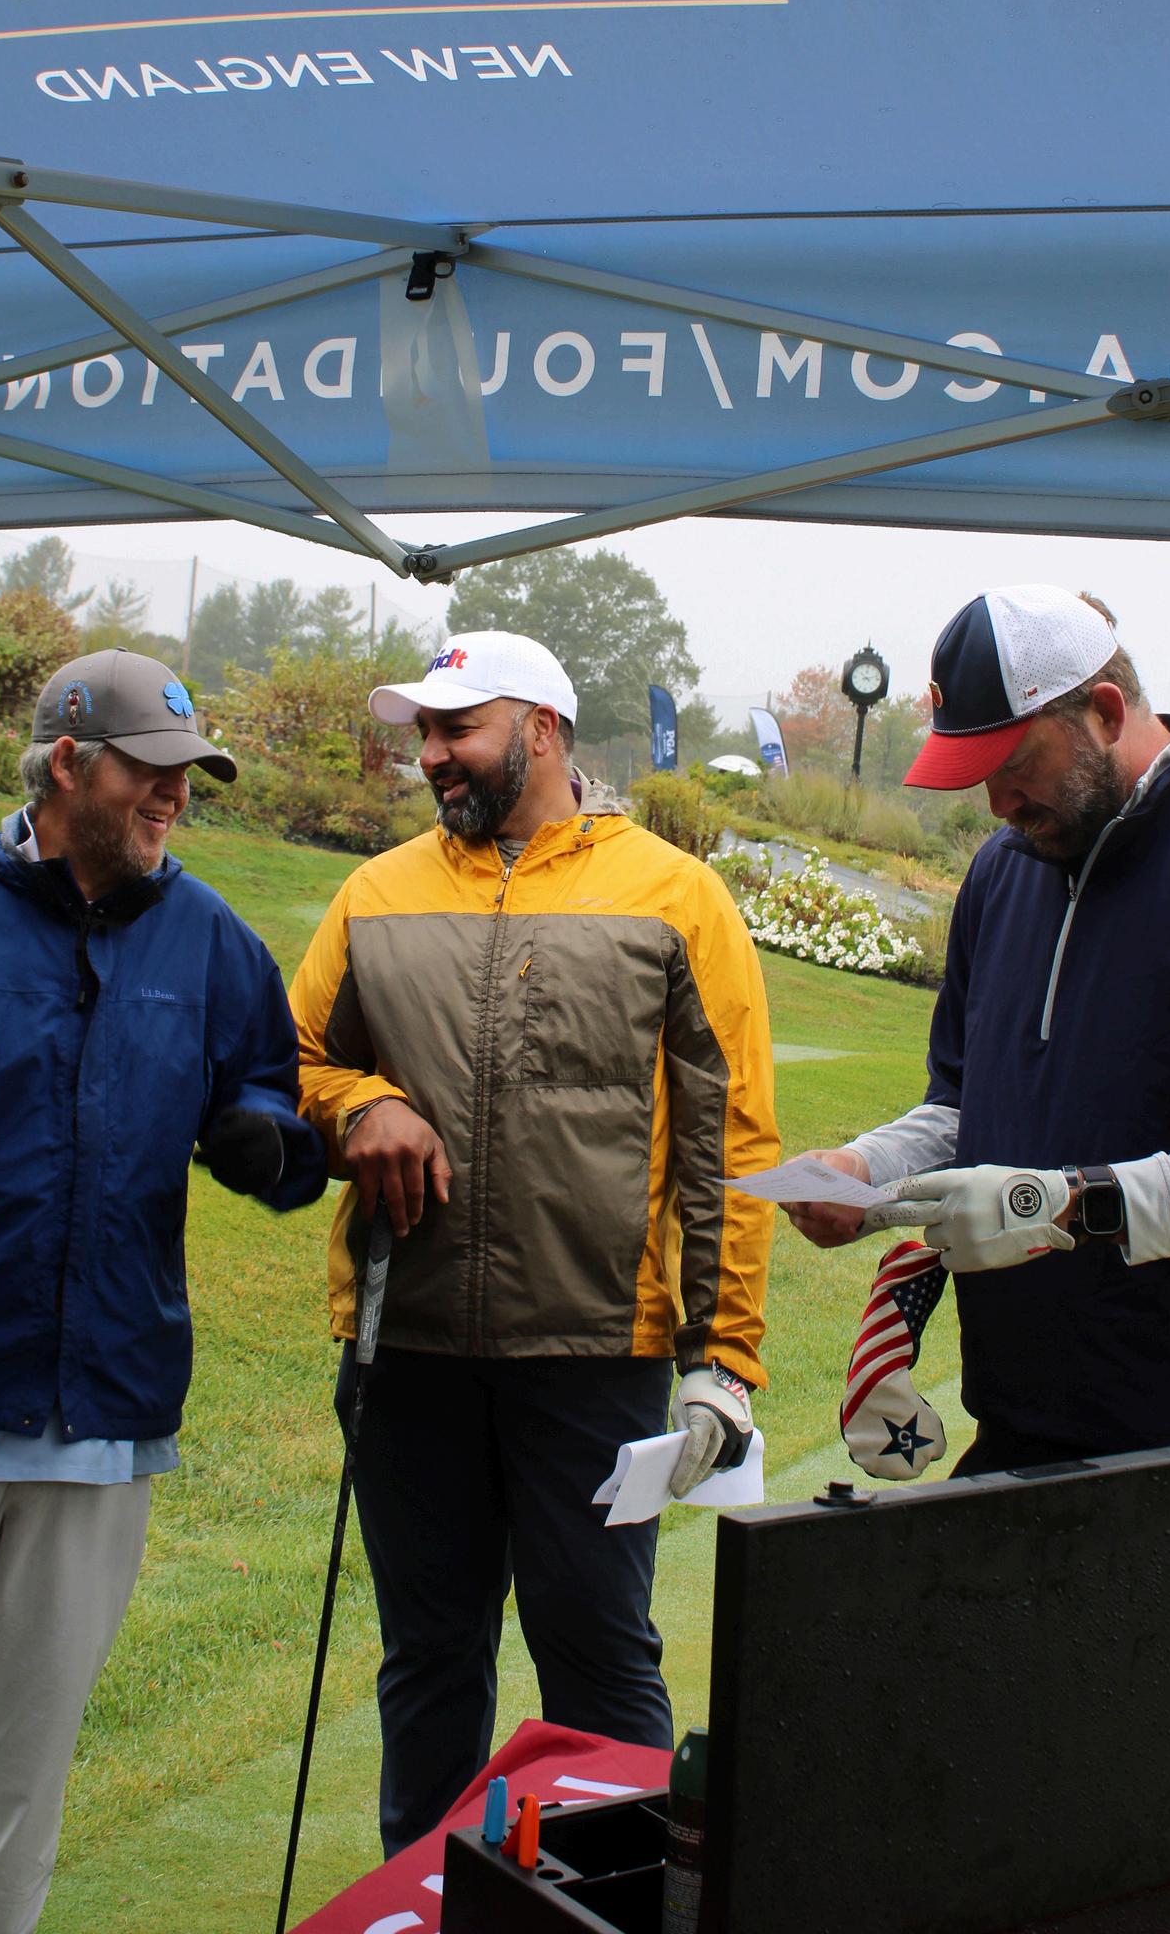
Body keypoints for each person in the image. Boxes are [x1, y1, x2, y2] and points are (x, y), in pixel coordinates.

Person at [0, 648, 326, 1933]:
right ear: (67, 763)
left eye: (189, 775)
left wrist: (270, 1141)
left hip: (105, 1416)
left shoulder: (211, 939)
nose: (175, 797)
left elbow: (271, 1105)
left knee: (32, 1758)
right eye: (150, 772)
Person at [291, 629, 777, 1852]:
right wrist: (363, 1105)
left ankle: (614, 1902)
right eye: (423, 732)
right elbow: (288, 1063)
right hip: (408, 1349)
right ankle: (424, 1907)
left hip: (594, 1354)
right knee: (428, 1661)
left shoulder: (674, 894)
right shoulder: (375, 893)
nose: (430, 754)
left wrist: (723, 1358)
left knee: (598, 1660)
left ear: (542, 731)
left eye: (457, 728)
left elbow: (730, 1141)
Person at [786, 585, 1170, 1472]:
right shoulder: (1003, 871)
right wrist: (870, 1168)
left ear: (1106, 712)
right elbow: (969, 1106)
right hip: (1021, 1407)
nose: (997, 802)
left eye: (1014, 762)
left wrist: (1060, 1204)